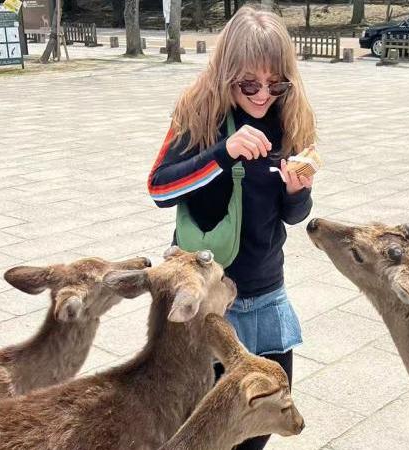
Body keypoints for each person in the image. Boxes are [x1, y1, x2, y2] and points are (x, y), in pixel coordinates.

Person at [147, 6, 317, 450]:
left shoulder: (289, 117)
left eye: (275, 84)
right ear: (226, 74)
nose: (263, 95)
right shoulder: (197, 113)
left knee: (259, 428)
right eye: (249, 84)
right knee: (203, 433)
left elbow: (292, 215)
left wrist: (297, 192)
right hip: (208, 300)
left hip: (267, 292)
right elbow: (160, 188)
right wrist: (224, 153)